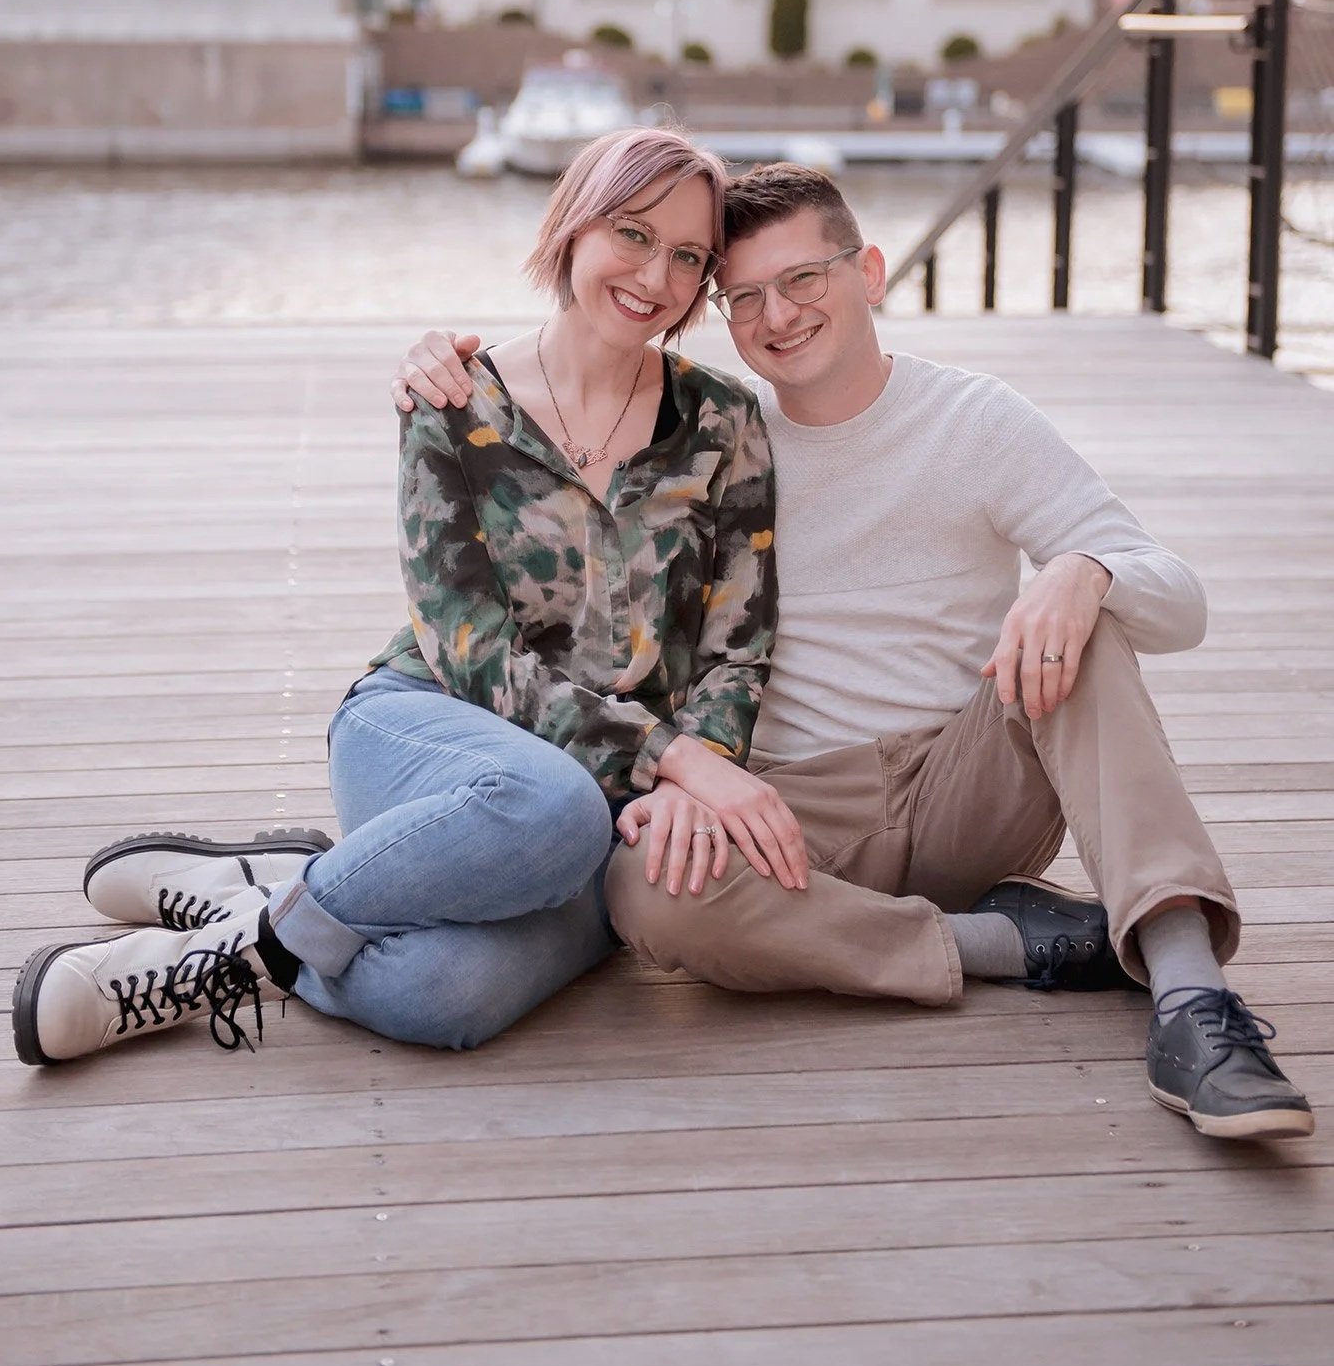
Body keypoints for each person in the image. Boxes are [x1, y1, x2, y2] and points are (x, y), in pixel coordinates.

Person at [391, 161, 1315, 1142]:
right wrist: (442, 365)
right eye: (744, 297)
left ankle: (1192, 999)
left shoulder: (976, 419)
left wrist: (1084, 573)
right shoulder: (718, 435)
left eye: (803, 279)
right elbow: (590, 471)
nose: (778, 316)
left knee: (1085, 631)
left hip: (967, 782)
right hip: (795, 808)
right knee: (645, 888)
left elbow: (1177, 599)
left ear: (867, 271)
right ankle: (1003, 941)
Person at [13, 128, 785, 1067]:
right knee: (552, 806)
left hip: (617, 805)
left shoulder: (723, 419)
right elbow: (469, 649)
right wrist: (672, 757)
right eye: (632, 233)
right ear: (574, 225)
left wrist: (692, 778)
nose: (655, 276)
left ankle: (266, 893)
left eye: (688, 257)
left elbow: (736, 646)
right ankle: (205, 967)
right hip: (429, 727)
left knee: (442, 995)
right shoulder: (454, 402)